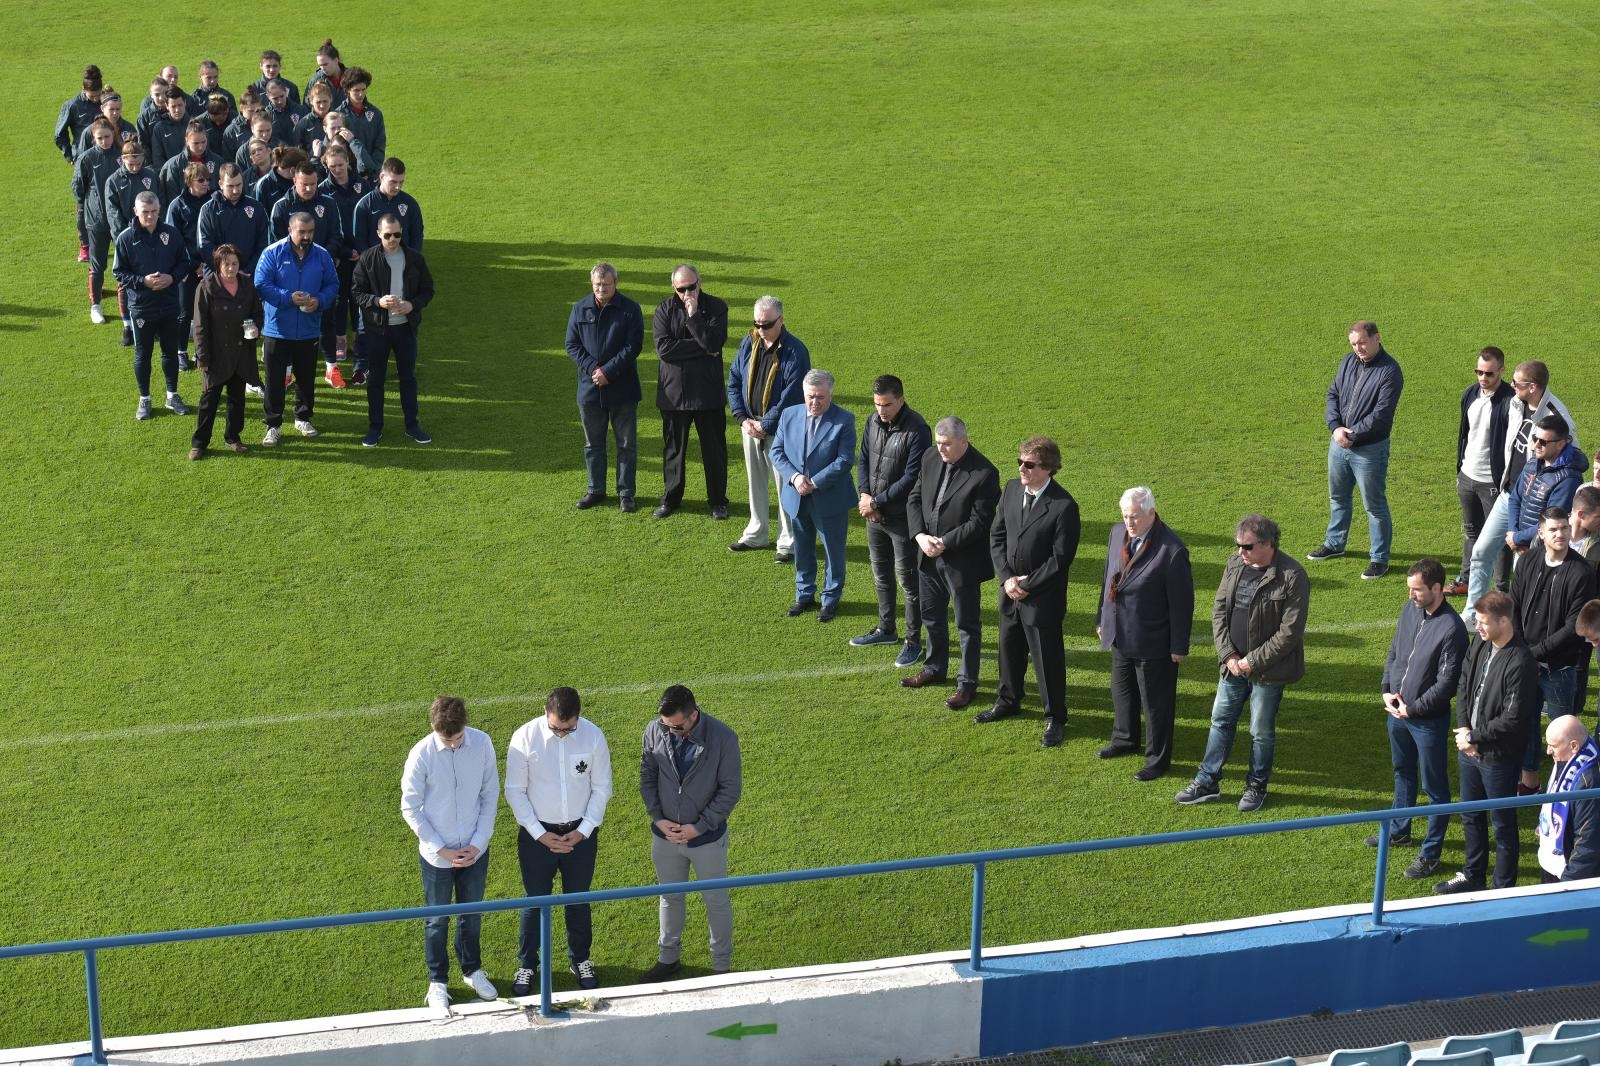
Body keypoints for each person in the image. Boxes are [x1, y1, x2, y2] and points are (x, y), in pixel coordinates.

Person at [1177, 514, 1310, 811]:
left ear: (1267, 543)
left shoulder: (1293, 576)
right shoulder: (1236, 563)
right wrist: (1229, 656)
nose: (1240, 551)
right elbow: (1219, 610)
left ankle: (1256, 787)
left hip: (1267, 672)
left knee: (1260, 731)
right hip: (1232, 666)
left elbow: (1289, 634)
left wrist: (1250, 662)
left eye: (1247, 546)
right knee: (1220, 722)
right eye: (1238, 545)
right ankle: (1207, 781)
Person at [503, 687, 612, 997]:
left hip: (580, 834)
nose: (562, 733)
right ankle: (527, 964)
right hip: (537, 836)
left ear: (578, 716)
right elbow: (515, 790)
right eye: (556, 727)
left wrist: (584, 830)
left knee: (577, 898)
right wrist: (540, 834)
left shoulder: (593, 736)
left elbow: (602, 788)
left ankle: (581, 960)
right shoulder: (524, 738)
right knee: (534, 901)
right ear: (545, 712)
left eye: (569, 728)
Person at [399, 695, 500, 1012]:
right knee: (437, 921)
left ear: (465, 726)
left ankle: (472, 970)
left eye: (457, 738)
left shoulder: (482, 745)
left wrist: (478, 843)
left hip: (474, 851)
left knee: (471, 916)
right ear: (434, 728)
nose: (454, 745)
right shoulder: (421, 755)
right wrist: (440, 849)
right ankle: (438, 981)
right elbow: (410, 808)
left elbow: (489, 796)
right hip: (437, 858)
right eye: (447, 740)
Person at [1434, 590, 1539, 894]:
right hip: (1471, 749)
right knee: (1471, 815)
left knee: (1503, 824)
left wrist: (1473, 737)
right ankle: (1473, 875)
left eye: (1483, 622)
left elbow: (1513, 718)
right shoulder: (1481, 642)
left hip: (1498, 757)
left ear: (1504, 621)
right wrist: (1465, 729)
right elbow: (1464, 684)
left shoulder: (1521, 661)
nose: (1477, 627)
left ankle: (1502, 888)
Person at [1463, 359, 1580, 627]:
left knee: (1527, 575)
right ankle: (1472, 615)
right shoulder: (1516, 403)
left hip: (1539, 507)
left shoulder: (1557, 417)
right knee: (1480, 552)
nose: (1511, 386)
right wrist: (1513, 531)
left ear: (1533, 386)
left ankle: (1519, 625)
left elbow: (1569, 457)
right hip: (1511, 494)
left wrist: (1519, 535)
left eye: (1517, 383)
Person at [1372, 558, 1468, 881]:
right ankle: (1400, 830)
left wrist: (1412, 710)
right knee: (1402, 772)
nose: (1412, 595)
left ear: (1438, 589)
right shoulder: (1409, 609)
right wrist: (1387, 689)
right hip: (1397, 712)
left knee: (1435, 787)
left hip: (1426, 721)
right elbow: (1394, 653)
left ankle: (1430, 854)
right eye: (1410, 589)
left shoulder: (1452, 629)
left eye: (1418, 590)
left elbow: (1447, 685)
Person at [638, 685, 742, 982]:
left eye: (677, 726)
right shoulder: (654, 730)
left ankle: (721, 967)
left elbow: (730, 790)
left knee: (716, 900)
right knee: (669, 898)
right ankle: (668, 959)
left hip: (706, 839)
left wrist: (699, 826)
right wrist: (658, 819)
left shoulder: (723, 737)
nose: (670, 731)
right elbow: (647, 777)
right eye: (665, 726)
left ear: (694, 715)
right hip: (666, 837)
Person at [1094, 486, 1194, 780]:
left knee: (1156, 703)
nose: (1129, 522)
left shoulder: (1172, 550)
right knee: (1122, 691)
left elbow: (1182, 604)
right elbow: (1108, 576)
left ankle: (1157, 759)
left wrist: (1178, 646)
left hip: (1153, 641)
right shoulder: (1116, 534)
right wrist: (1102, 617)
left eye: (1135, 516)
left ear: (1152, 512)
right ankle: (1125, 739)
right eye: (1125, 516)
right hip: (1120, 634)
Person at [902, 416, 1000, 710]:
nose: (941, 449)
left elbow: (980, 522)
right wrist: (919, 535)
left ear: (964, 443)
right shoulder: (930, 456)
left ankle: (966, 684)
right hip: (927, 554)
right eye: (938, 442)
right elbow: (915, 498)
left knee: (967, 624)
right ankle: (934, 668)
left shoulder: (984, 473)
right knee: (931, 615)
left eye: (946, 444)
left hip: (961, 562)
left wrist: (943, 543)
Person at [1308, 320, 1404, 579]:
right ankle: (1335, 543)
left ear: (1377, 338)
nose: (1358, 348)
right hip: (1339, 442)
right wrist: (1335, 427)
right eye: (1353, 344)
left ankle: (1379, 558)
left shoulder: (1390, 371)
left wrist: (1352, 434)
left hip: (1369, 450)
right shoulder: (1348, 361)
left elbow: (1382, 415)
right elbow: (1332, 395)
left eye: (1362, 342)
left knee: (1374, 505)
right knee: (1337, 497)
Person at [1510, 507, 1596, 792]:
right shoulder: (1528, 561)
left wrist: (1532, 654)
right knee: (1526, 721)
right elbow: (1515, 605)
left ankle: (1562, 787)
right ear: (1541, 533)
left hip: (1560, 667)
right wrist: (1524, 651)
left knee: (1562, 731)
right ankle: (1530, 781)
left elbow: (1573, 627)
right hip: (1527, 660)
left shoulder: (1582, 573)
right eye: (1554, 529)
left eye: (1564, 528)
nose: (1560, 534)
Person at [851, 375, 932, 666]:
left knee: (908, 581)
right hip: (874, 514)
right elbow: (863, 459)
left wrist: (876, 501)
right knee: (881, 575)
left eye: (886, 404)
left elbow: (912, 477)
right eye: (877, 404)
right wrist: (864, 495)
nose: (881, 410)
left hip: (901, 519)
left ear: (900, 398)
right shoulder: (872, 421)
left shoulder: (918, 430)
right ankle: (886, 628)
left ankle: (914, 641)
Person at [726, 297, 810, 560]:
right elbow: (734, 379)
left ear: (781, 320)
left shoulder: (796, 351)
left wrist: (766, 424)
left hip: (781, 430)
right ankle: (757, 533)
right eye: (757, 323)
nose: (761, 329)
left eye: (767, 324)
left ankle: (788, 542)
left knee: (785, 484)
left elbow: (792, 395)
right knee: (755, 483)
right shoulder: (749, 342)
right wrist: (743, 419)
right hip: (751, 426)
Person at [771, 369, 857, 623]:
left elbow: (844, 460)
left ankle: (830, 599)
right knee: (803, 548)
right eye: (811, 396)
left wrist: (814, 483)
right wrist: (796, 478)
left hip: (829, 499)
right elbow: (777, 451)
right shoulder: (789, 415)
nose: (815, 402)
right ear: (803, 393)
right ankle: (804, 594)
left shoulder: (844, 420)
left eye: (820, 397)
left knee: (833, 551)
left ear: (830, 394)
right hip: (796, 496)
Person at [651, 264, 730, 520]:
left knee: (714, 452)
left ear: (700, 282)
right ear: (673, 287)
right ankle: (671, 499)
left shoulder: (717, 307)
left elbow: (713, 342)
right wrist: (703, 348)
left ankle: (718, 501)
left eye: (691, 287)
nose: (687, 293)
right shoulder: (663, 310)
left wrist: (694, 316)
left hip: (708, 394)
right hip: (674, 396)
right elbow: (664, 350)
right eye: (681, 289)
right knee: (674, 451)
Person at [253, 211, 338, 446]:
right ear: (290, 230)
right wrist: (288, 298)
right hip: (277, 329)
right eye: (302, 232)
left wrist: (319, 300)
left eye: (311, 231)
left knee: (306, 378)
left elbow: (333, 284)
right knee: (274, 380)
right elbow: (261, 284)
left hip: (309, 330)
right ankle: (273, 424)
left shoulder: (322, 255)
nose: (307, 236)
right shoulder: (273, 252)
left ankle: (303, 417)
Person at [565, 262, 643, 510]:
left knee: (626, 444)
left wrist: (608, 371)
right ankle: (595, 489)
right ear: (592, 284)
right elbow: (572, 345)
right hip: (590, 389)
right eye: (597, 285)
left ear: (615, 283)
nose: (601, 289)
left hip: (622, 389)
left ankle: (626, 493)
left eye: (606, 285)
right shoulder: (579, 309)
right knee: (593, 444)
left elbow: (633, 347)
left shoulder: (630, 309)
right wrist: (593, 369)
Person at [352, 214, 435, 446]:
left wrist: (412, 305)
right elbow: (356, 292)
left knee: (408, 378)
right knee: (376, 379)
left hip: (405, 330)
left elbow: (428, 290)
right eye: (387, 235)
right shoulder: (368, 259)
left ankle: (412, 425)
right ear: (378, 234)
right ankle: (375, 427)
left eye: (397, 234)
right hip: (377, 331)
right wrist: (378, 301)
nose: (392, 239)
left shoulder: (415, 259)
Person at [113, 191, 193, 421]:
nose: (150, 216)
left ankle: (172, 395)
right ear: (135, 212)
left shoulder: (171, 234)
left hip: (169, 304)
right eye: (145, 212)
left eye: (154, 212)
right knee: (142, 355)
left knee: (170, 351)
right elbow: (119, 273)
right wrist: (143, 281)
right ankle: (145, 399)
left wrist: (172, 278)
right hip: (141, 307)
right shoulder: (126, 238)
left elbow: (184, 262)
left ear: (160, 210)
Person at [268, 164, 347, 389]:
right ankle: (287, 372)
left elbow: (336, 236)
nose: (310, 188)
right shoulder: (282, 207)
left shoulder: (328, 203)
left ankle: (331, 368)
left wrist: (324, 258)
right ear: (295, 181)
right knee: (291, 320)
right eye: (305, 184)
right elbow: (274, 242)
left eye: (313, 184)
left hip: (320, 271)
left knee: (327, 318)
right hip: (289, 273)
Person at [1450, 347, 1517, 595]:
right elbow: (1465, 433)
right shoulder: (1470, 394)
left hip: (1492, 481)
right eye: (1479, 371)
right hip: (1468, 475)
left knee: (1498, 539)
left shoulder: (1511, 401)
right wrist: (1461, 467)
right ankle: (1465, 579)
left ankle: (1501, 590)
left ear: (1501, 370)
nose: (1482, 378)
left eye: (1489, 373)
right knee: (1470, 531)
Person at [189, 244, 263, 460]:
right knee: (208, 402)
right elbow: (200, 326)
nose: (231, 268)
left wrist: (256, 327)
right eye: (226, 264)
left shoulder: (247, 284)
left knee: (237, 400)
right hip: (215, 355)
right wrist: (202, 357)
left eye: (234, 264)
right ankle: (199, 443)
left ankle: (233, 437)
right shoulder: (206, 287)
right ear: (218, 265)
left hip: (241, 354)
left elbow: (258, 312)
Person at [317, 144, 371, 378]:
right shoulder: (323, 191)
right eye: (332, 166)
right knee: (339, 298)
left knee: (359, 297)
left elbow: (369, 220)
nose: (337, 170)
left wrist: (362, 250)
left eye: (340, 165)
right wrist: (343, 252)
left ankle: (360, 339)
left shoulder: (362, 185)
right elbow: (327, 228)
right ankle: (340, 339)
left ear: (348, 161)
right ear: (326, 166)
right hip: (339, 255)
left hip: (362, 253)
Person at [1504, 416, 1587, 559]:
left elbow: (1553, 522)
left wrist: (1517, 539)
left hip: (1543, 553)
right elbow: (1515, 499)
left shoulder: (1568, 480)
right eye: (1535, 438)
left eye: (1543, 442)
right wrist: (1513, 533)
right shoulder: (1533, 463)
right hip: (1522, 547)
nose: (1536, 445)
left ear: (1560, 444)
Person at [104, 139, 160, 346]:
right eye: (131, 163)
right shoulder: (113, 181)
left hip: (151, 235)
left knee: (150, 278)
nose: (135, 167)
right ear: (123, 160)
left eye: (138, 163)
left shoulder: (150, 176)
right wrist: (125, 235)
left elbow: (157, 202)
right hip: (126, 238)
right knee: (125, 281)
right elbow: (112, 212)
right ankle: (127, 325)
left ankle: (150, 322)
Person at [1536, 715, 1600, 883]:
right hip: (1552, 861)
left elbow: (1587, 841)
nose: (1548, 751)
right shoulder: (1568, 758)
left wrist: (1568, 882)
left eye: (1553, 746)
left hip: (1566, 873)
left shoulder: (1588, 784)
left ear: (1573, 745)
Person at [162, 162, 212, 371]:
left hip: (210, 266)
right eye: (201, 180)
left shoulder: (213, 201)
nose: (206, 184)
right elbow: (174, 240)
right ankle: (180, 351)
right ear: (190, 181)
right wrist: (193, 265)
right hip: (186, 269)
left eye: (208, 180)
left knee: (208, 311)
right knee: (184, 313)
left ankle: (202, 351)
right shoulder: (177, 205)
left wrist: (207, 263)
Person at [74, 119, 120, 325]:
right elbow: (78, 188)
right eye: (100, 138)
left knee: (123, 265)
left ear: (113, 134)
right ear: (93, 138)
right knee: (97, 264)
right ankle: (96, 306)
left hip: (120, 221)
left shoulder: (122, 155)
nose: (104, 141)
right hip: (97, 221)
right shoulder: (86, 159)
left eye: (107, 137)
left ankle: (126, 306)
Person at [56, 64, 103, 262]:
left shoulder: (105, 101)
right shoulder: (73, 105)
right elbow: (59, 134)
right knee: (83, 204)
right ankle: (84, 246)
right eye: (92, 96)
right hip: (84, 163)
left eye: (97, 95)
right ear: (84, 90)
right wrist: (71, 155)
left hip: (104, 157)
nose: (95, 100)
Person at [197, 163, 271, 278]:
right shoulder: (208, 210)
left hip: (248, 277)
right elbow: (205, 245)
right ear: (221, 184)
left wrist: (247, 270)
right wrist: (226, 270)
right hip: (217, 277)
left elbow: (264, 243)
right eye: (230, 186)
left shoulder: (256, 207)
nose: (236, 190)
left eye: (238, 185)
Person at [352, 157, 423, 252]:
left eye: (401, 182)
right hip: (375, 263)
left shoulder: (410, 204)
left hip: (404, 262)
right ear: (382, 177)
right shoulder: (364, 205)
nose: (397, 187)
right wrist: (372, 262)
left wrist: (411, 261)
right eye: (393, 182)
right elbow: (359, 240)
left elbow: (417, 236)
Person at [157, 119, 225, 206]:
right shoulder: (173, 166)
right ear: (187, 140)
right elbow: (170, 199)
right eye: (196, 143)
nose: (201, 147)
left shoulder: (218, 161)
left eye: (203, 142)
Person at [334, 67, 385, 179]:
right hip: (347, 174)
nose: (361, 94)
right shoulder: (338, 115)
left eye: (363, 89)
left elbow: (380, 144)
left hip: (372, 173)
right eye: (356, 90)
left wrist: (374, 168)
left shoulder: (376, 114)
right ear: (347, 90)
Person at [305, 39, 350, 109]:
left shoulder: (351, 77)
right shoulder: (316, 79)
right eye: (320, 65)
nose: (322, 68)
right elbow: (307, 106)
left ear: (336, 60)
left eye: (325, 64)